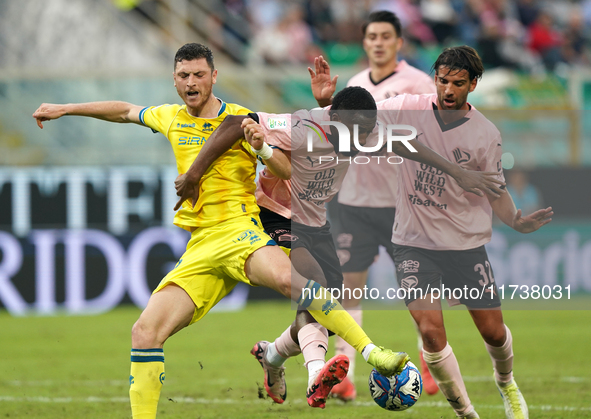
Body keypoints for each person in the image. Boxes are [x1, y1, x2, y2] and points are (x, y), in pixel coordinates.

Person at [32, 43, 412, 419]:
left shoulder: (241, 116)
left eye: (199, 74)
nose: (192, 82)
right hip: (200, 246)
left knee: (294, 281)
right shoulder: (169, 117)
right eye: (184, 75)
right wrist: (66, 109)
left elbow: (281, 156)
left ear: (214, 77)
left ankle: (368, 352)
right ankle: (279, 358)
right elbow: (125, 111)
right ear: (175, 81)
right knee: (144, 333)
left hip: (241, 231)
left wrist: (200, 171)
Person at [174, 89, 505, 409]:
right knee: (314, 286)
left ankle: (272, 354)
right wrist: (194, 173)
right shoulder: (301, 128)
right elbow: (233, 123)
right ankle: (315, 374)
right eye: (355, 131)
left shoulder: (362, 131)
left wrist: (460, 173)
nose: (360, 140)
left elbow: (408, 145)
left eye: (366, 132)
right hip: (274, 214)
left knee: (328, 313)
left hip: (316, 224)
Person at [312, 45, 552, 419]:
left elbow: (496, 189)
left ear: (473, 84)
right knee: (430, 333)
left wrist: (515, 219)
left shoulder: (485, 134)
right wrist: (329, 104)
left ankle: (506, 382)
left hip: (464, 244)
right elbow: (359, 117)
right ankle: (467, 414)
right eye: (442, 81)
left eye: (458, 83)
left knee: (493, 332)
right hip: (412, 243)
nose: (448, 90)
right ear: (434, 78)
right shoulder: (407, 107)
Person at [310, 10, 439, 400]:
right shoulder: (352, 84)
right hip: (354, 203)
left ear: (399, 42)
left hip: (402, 205)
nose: (378, 42)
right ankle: (343, 369)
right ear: (364, 43)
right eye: (372, 37)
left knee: (417, 288)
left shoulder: (418, 83)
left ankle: (429, 360)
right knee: (349, 289)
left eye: (386, 36)